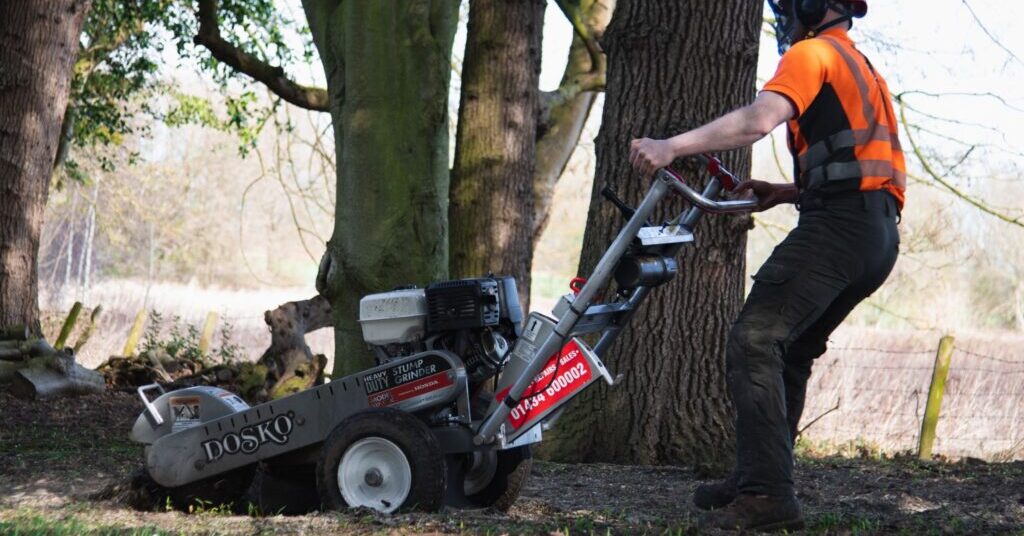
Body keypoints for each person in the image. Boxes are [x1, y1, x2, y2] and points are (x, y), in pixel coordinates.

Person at [628, 0, 904, 531]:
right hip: (877, 235)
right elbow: (864, 166)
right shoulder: (862, 68)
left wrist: (669, 146)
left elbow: (757, 121)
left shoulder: (812, 54)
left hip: (839, 228)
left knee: (754, 340)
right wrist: (784, 192)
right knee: (790, 351)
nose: (785, 17)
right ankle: (760, 476)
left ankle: (766, 495)